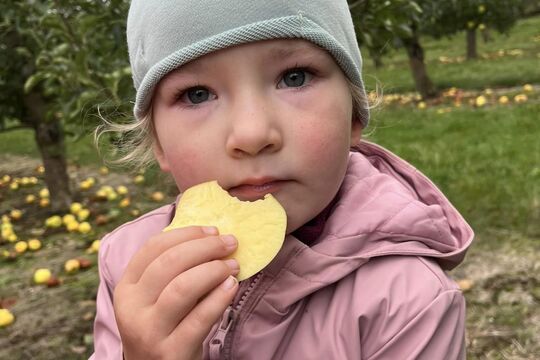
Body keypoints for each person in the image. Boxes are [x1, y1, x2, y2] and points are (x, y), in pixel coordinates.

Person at [91, 0, 474, 359]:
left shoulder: (405, 303)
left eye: (294, 77)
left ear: (354, 114)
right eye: (196, 95)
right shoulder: (130, 268)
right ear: (158, 143)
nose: (252, 134)